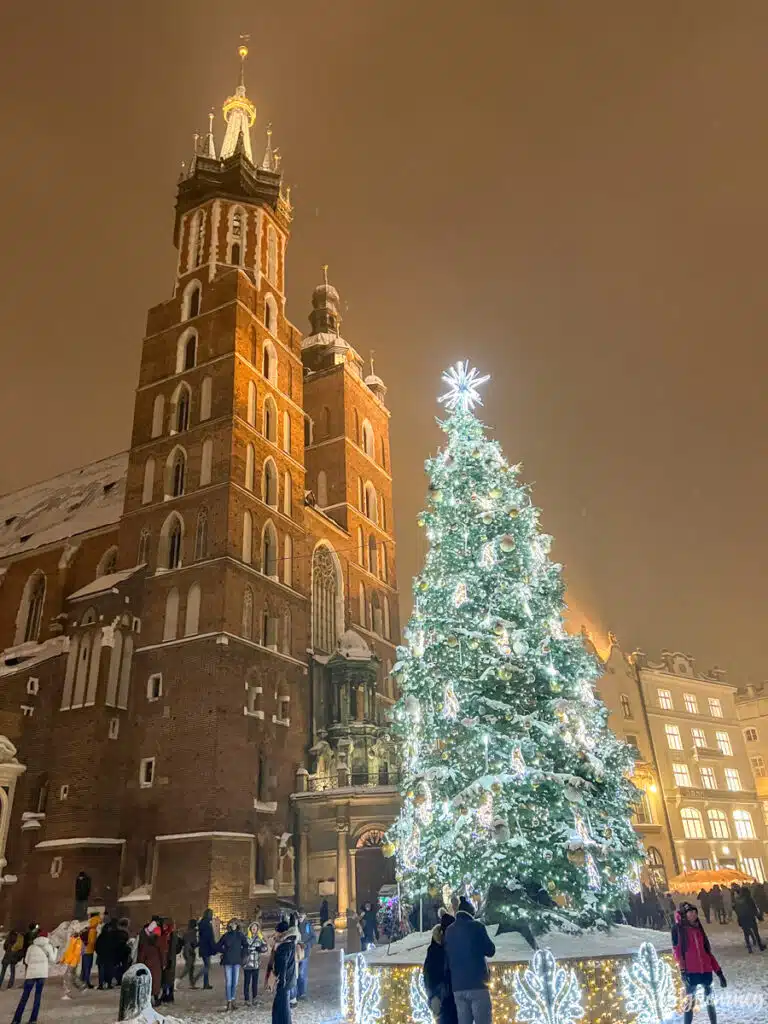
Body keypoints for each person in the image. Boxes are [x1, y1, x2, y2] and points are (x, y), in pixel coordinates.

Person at [443, 897, 496, 1024]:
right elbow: (490, 950)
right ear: (471, 912)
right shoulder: (477, 927)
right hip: (477, 984)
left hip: (458, 986)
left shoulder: (449, 931)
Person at [672, 902, 726, 1024]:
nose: (694, 914)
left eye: (695, 912)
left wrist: (719, 973)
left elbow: (707, 953)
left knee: (710, 1001)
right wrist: (683, 971)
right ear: (685, 914)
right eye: (690, 912)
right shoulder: (678, 929)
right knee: (690, 1003)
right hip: (691, 972)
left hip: (706, 971)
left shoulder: (699, 929)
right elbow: (677, 953)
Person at [11, 930, 56, 1024]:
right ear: (46, 937)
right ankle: (33, 1020)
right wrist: (55, 950)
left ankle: (16, 1020)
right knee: (37, 997)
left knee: (24, 997)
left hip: (31, 974)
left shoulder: (31, 947)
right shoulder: (48, 946)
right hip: (42, 974)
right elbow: (52, 960)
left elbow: (26, 961)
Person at [423, 912, 458, 1024]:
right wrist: (434, 995)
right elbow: (429, 973)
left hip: (450, 994)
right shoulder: (436, 949)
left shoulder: (446, 946)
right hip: (442, 995)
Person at [266, 920, 297, 1024]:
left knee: (282, 1007)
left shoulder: (283, 947)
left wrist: (281, 981)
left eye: (276, 931)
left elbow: (282, 965)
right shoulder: (290, 943)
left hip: (284, 981)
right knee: (282, 1005)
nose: (275, 934)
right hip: (289, 978)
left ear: (280, 932)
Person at [217, 918, 249, 1012]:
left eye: (235, 923)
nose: (233, 925)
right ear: (229, 925)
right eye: (232, 924)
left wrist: (242, 954)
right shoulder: (226, 936)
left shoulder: (240, 935)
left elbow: (246, 945)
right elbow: (218, 946)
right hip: (227, 961)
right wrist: (224, 951)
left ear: (237, 925)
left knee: (234, 983)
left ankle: (233, 1000)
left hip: (237, 961)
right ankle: (229, 1002)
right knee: (229, 982)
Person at [137, 922, 163, 1006]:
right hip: (156, 965)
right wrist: (162, 964)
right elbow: (162, 955)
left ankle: (147, 1000)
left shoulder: (145, 945)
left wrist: (139, 964)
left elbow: (141, 956)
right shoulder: (158, 945)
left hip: (147, 965)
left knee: (148, 983)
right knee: (156, 983)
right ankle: (156, 998)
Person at [734, 885, 766, 952]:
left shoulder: (738, 900)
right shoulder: (749, 899)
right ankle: (760, 946)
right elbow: (754, 909)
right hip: (750, 917)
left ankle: (749, 948)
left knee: (746, 933)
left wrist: (739, 919)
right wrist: (758, 916)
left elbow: (737, 910)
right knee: (756, 932)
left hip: (743, 918)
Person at [243, 918, 267, 1005]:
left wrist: (261, 949)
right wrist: (249, 949)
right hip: (247, 963)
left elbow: (265, 947)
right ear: (250, 928)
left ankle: (255, 998)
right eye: (252, 926)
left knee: (255, 982)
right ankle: (246, 999)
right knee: (247, 982)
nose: (254, 928)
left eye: (255, 927)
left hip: (256, 963)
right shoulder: (246, 937)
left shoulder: (260, 937)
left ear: (257, 928)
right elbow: (243, 947)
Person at [61, 927, 87, 1000]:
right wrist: (63, 960)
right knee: (72, 976)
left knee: (67, 977)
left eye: (72, 932)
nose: (71, 933)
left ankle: (68, 993)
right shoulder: (72, 940)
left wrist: (71, 962)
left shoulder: (78, 941)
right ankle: (82, 986)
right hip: (71, 962)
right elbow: (68, 952)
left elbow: (76, 954)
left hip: (73, 962)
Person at [295, 908, 315, 1000]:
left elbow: (313, 938)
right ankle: (296, 993)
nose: (300, 917)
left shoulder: (307, 925)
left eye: (302, 915)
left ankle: (302, 993)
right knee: (295, 974)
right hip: (295, 953)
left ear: (305, 916)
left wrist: (306, 945)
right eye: (299, 915)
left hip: (304, 953)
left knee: (302, 973)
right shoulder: (294, 924)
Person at [95, 917, 118, 989]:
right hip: (109, 957)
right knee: (109, 970)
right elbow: (115, 947)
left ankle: (101, 984)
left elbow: (96, 946)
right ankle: (109, 984)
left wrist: (99, 953)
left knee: (101, 971)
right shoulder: (112, 937)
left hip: (101, 956)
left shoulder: (101, 937)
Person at [161, 919, 179, 1003]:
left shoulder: (171, 934)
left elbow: (172, 948)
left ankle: (168, 995)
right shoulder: (170, 934)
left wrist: (170, 959)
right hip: (170, 959)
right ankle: (168, 994)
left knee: (167, 978)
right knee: (167, 978)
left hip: (169, 959)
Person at [198, 908, 216, 990]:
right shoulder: (207, 924)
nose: (212, 916)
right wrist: (214, 947)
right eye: (211, 914)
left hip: (204, 947)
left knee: (207, 965)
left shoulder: (203, 923)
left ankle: (206, 983)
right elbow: (209, 937)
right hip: (206, 948)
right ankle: (199, 978)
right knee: (207, 966)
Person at [81, 911, 100, 988]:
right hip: (89, 950)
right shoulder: (93, 929)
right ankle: (86, 982)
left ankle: (83, 980)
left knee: (85, 967)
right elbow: (92, 942)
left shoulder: (87, 927)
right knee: (87, 967)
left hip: (84, 949)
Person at [181, 919, 198, 988]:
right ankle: (177, 980)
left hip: (185, 951)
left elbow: (183, 941)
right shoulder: (193, 932)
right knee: (188, 968)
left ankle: (192, 984)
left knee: (191, 968)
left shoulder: (186, 931)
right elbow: (195, 943)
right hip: (190, 951)